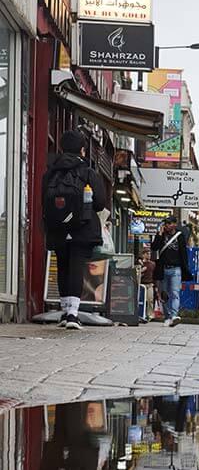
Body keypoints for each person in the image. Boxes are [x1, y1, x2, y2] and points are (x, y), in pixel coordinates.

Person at [41, 129, 109, 329]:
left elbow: (44, 201)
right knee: (76, 267)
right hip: (82, 226)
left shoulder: (50, 172)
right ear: (82, 150)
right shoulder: (87, 172)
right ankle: (73, 314)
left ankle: (64, 311)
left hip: (57, 227)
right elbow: (99, 203)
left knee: (62, 265)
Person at [151, 215, 191, 326]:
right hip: (163, 268)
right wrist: (159, 235)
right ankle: (167, 316)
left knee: (175, 293)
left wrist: (185, 269)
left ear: (174, 224)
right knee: (164, 294)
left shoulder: (180, 236)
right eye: (166, 224)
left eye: (169, 223)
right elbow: (154, 247)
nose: (167, 226)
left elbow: (183, 253)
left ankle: (174, 315)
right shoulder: (161, 235)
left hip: (176, 269)